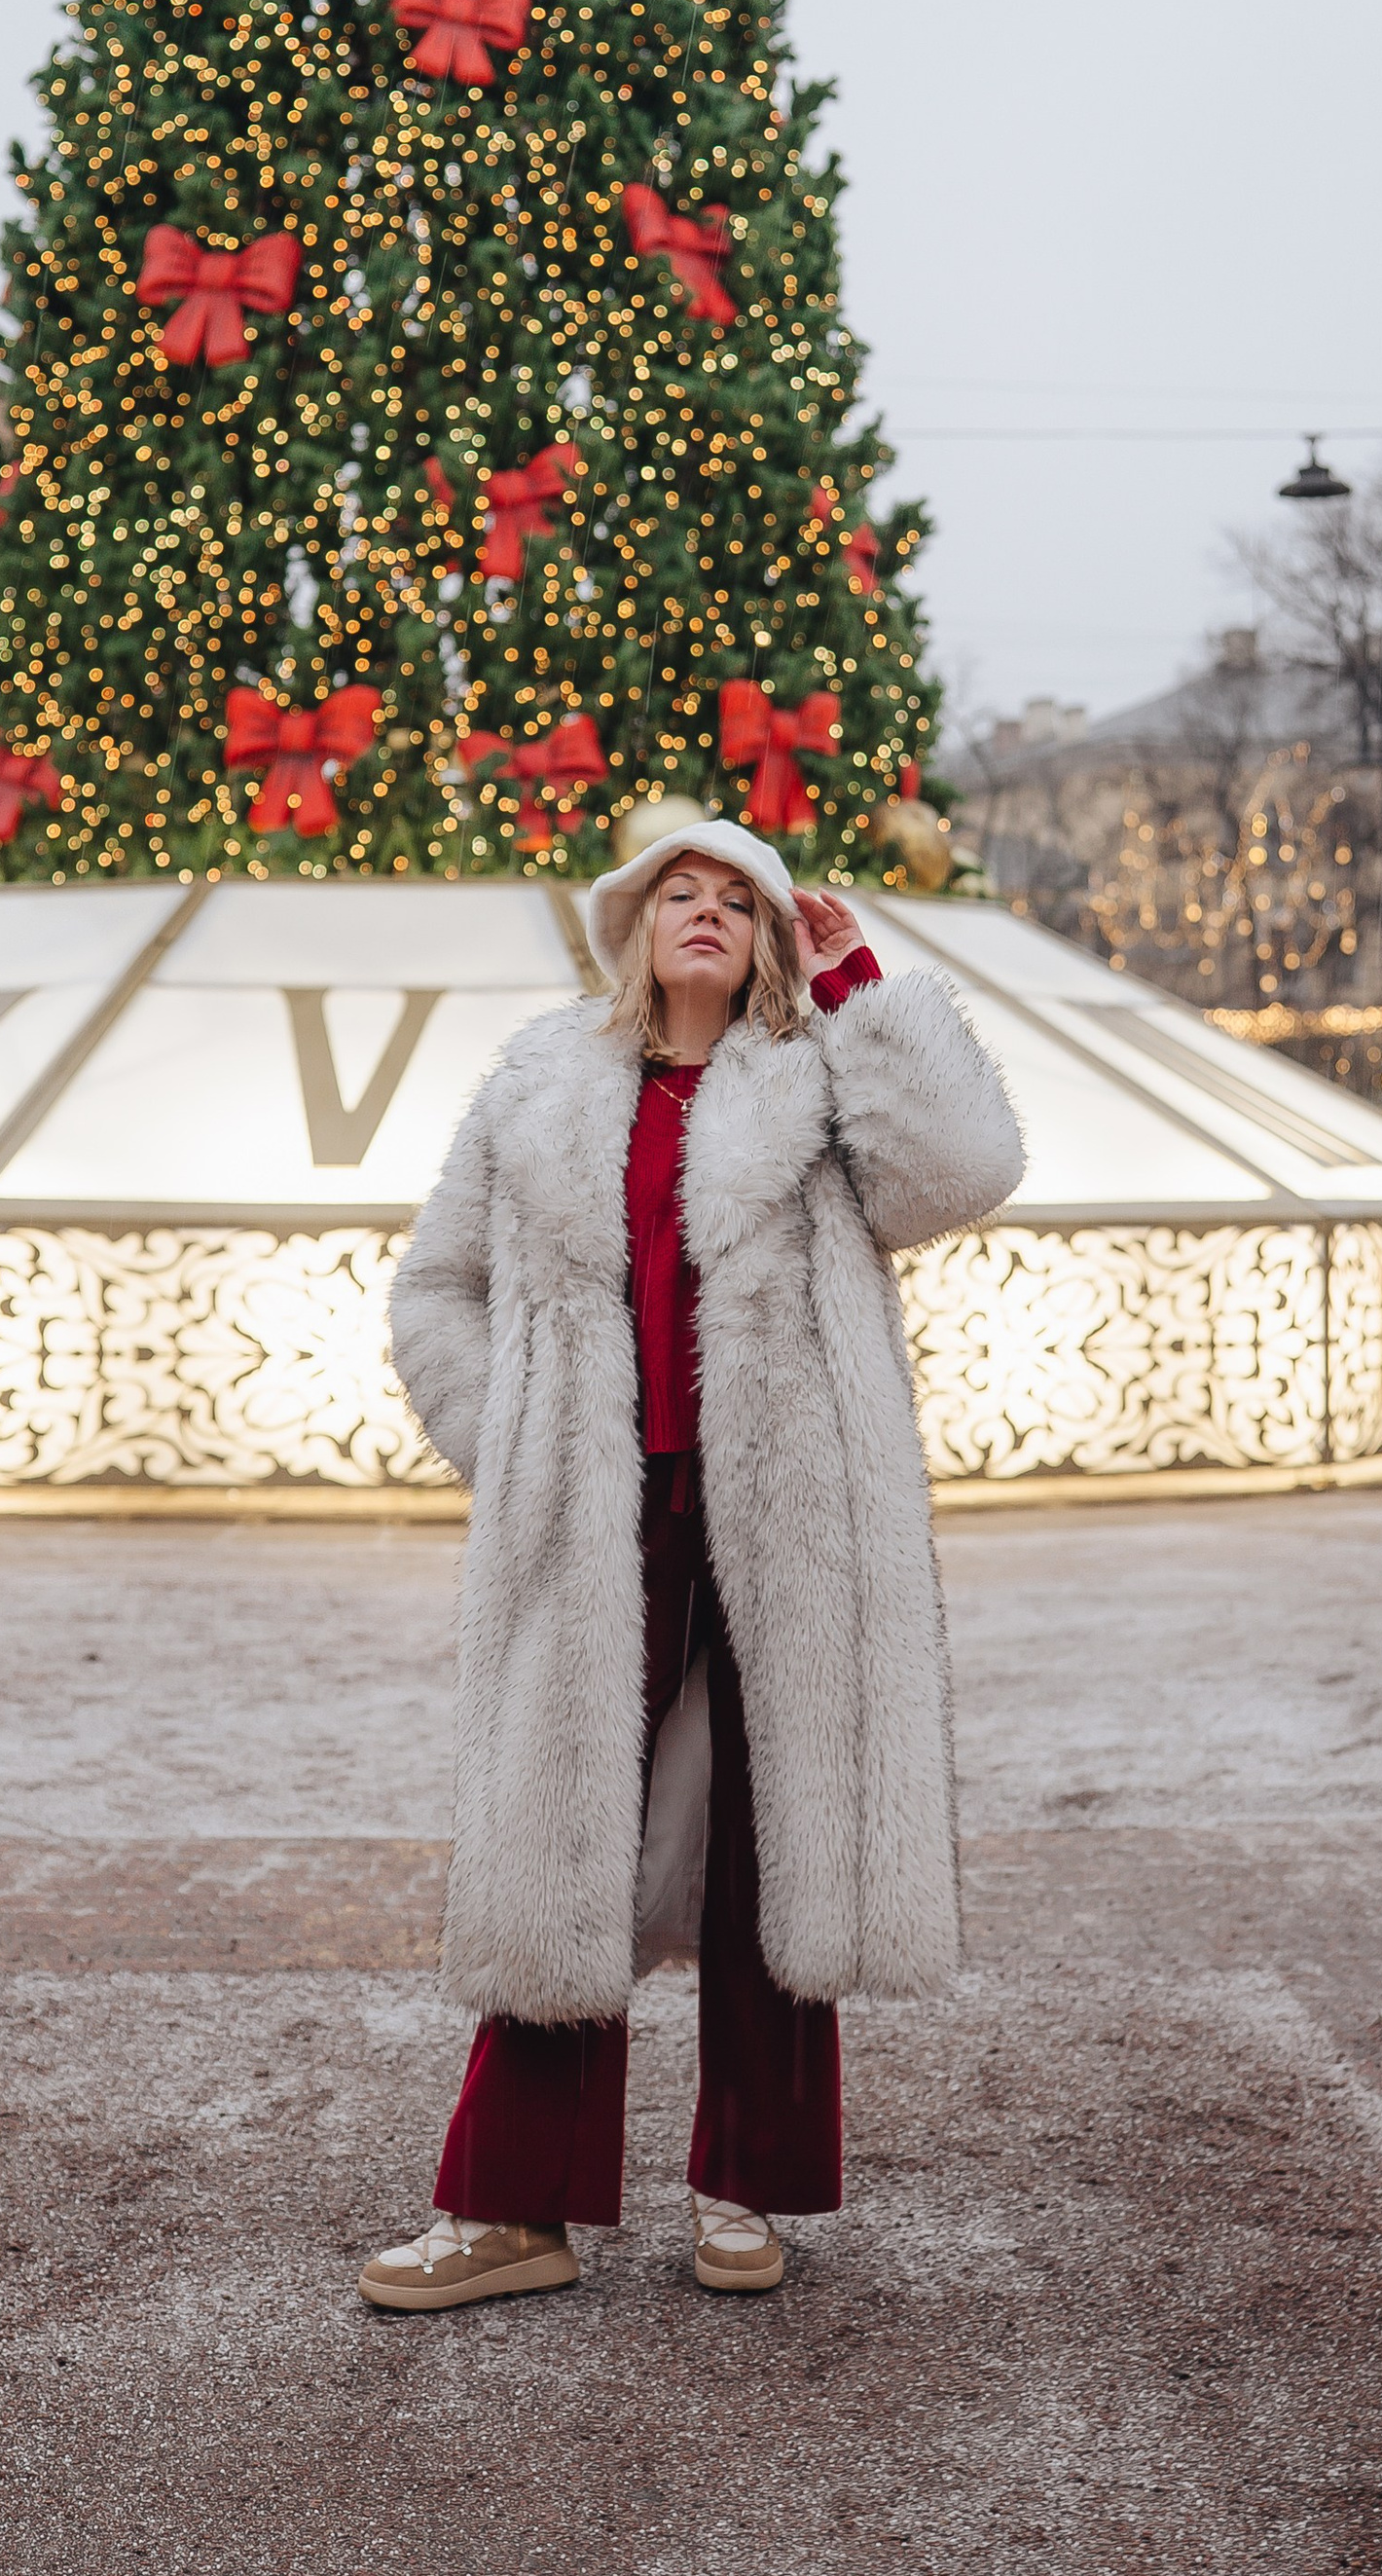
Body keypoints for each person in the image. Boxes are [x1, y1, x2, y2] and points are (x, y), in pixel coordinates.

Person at [359, 818, 1023, 2311]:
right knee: (563, 1840)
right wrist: (515, 1442)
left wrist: (858, 983)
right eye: (683, 891)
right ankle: (509, 2211)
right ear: (635, 920)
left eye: (741, 899)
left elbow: (971, 1171)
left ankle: (748, 2187)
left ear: (773, 936)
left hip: (787, 1515)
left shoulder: (818, 1081)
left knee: (770, 1841)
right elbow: (434, 1291)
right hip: (595, 1511)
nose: (707, 913)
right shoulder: (538, 1081)